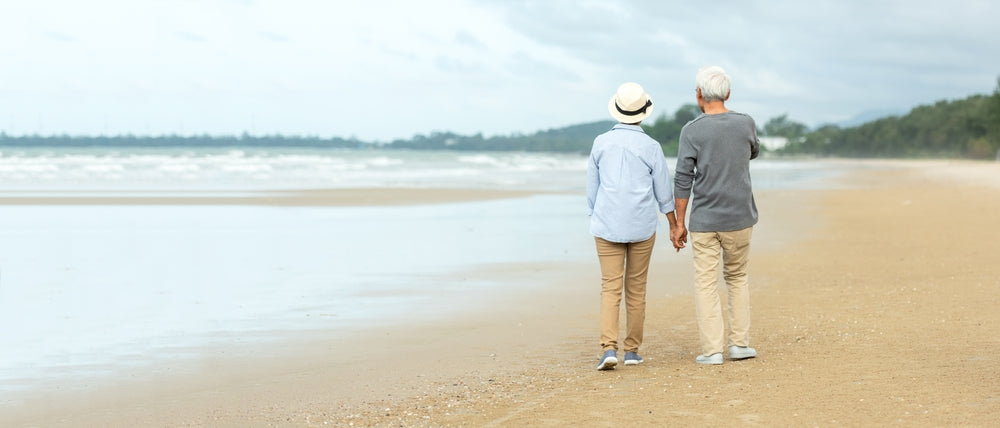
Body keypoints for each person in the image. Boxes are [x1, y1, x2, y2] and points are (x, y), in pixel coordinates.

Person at [671, 66, 760, 365]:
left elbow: (683, 178)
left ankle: (712, 351)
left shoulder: (691, 130)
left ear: (698, 95)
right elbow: (753, 151)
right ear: (728, 94)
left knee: (706, 283)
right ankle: (739, 344)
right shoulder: (745, 124)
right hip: (740, 217)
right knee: (737, 278)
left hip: (705, 221)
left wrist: (678, 224)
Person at [587, 82, 680, 371]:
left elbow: (593, 190)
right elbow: (664, 192)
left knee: (610, 287)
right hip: (642, 225)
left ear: (617, 109)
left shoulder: (600, 142)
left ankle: (607, 349)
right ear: (643, 113)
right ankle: (632, 351)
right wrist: (675, 225)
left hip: (607, 225)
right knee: (636, 289)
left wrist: (597, 215)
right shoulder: (651, 147)